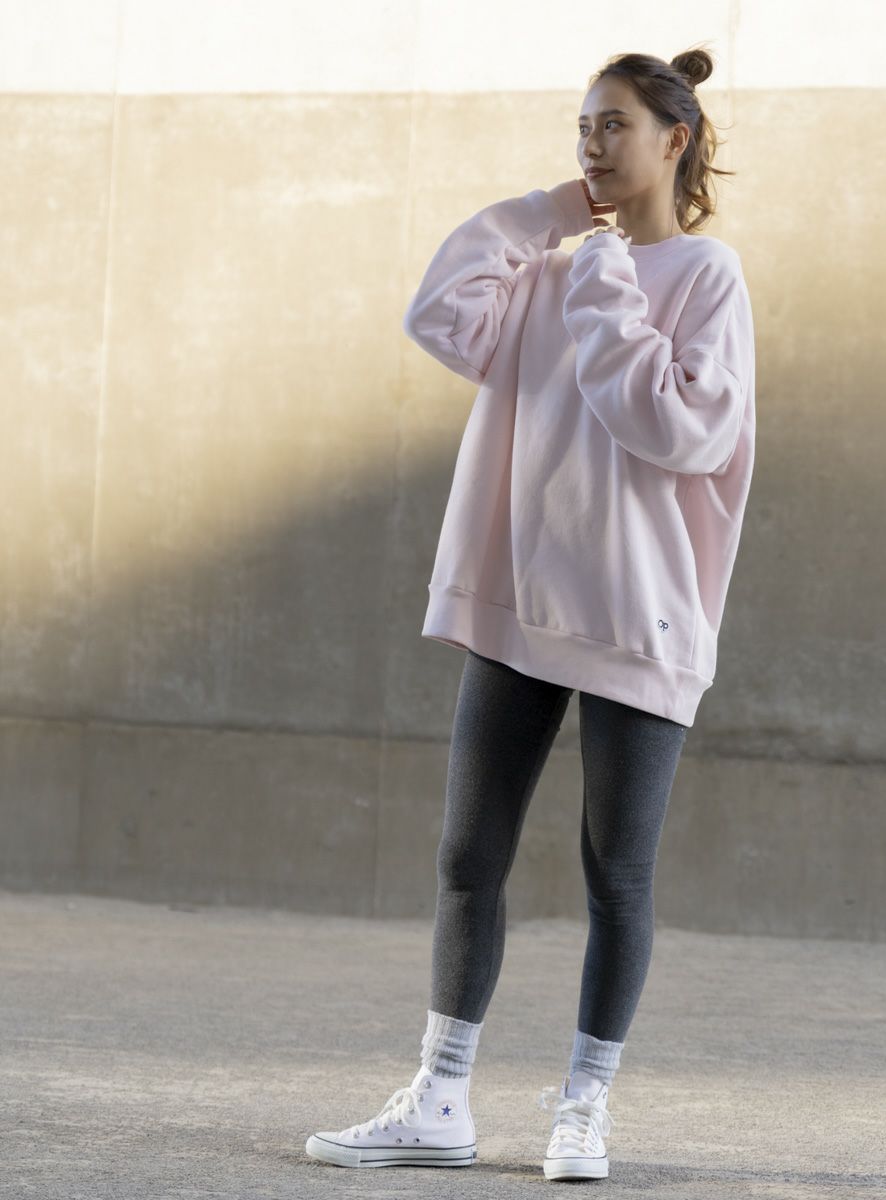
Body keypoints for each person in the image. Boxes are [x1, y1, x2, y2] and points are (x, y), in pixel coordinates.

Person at [306, 44, 755, 1182]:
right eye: (581, 127)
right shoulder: (552, 270)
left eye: (613, 126)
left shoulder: (705, 275)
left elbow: (680, 429)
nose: (591, 145)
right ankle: (440, 1097)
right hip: (521, 601)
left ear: (674, 140)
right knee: (469, 856)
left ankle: (583, 1110)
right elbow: (440, 313)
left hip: (640, 619)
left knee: (617, 876)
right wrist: (553, 218)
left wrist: (604, 281)